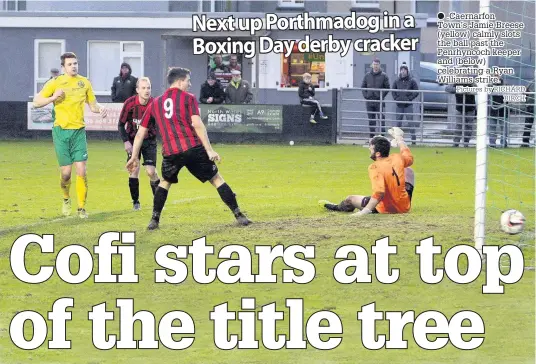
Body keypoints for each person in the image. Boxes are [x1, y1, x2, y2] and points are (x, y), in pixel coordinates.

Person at [126, 67, 252, 230]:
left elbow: (140, 133)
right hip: (193, 148)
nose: (190, 84)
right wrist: (209, 149)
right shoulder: (188, 98)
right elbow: (197, 124)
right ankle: (239, 215)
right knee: (216, 179)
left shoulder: (155, 102)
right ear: (179, 82)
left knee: (164, 183)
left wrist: (134, 156)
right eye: (187, 81)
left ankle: (154, 220)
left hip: (171, 152)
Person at [32, 52, 107, 218]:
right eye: (70, 64)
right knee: (66, 173)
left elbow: (92, 105)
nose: (74, 66)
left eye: (75, 63)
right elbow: (37, 102)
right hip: (60, 132)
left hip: (78, 131)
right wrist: (53, 97)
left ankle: (81, 208)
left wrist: (100, 109)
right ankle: (66, 199)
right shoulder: (56, 83)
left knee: (81, 170)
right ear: (63, 67)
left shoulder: (84, 83)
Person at [319, 127, 415, 216]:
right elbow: (409, 157)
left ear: (377, 153)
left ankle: (337, 207)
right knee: (408, 170)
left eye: (371, 148)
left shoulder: (374, 167)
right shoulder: (397, 158)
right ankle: (401, 201)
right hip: (404, 206)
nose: (369, 149)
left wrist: (365, 211)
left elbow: (379, 192)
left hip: (387, 208)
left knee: (350, 199)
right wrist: (399, 139)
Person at [118, 77, 161, 210]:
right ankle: (136, 202)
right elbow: (120, 124)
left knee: (150, 172)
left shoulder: (155, 104)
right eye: (143, 88)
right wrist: (126, 142)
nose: (146, 90)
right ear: (137, 90)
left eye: (148, 88)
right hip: (132, 140)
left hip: (149, 140)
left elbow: (162, 124)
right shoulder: (130, 103)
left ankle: (158, 200)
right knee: (134, 170)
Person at [361, 59, 390, 138]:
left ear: (379, 65)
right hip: (369, 101)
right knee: (371, 120)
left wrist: (381, 96)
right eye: (374, 64)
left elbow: (387, 88)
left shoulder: (384, 76)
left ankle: (382, 137)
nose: (375, 66)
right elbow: (363, 86)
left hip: (379, 101)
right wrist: (366, 96)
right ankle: (372, 138)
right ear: (372, 65)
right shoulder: (367, 75)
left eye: (377, 64)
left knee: (381, 120)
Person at [392, 63, 419, 144]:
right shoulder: (396, 81)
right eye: (402, 70)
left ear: (407, 71)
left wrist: (409, 98)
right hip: (399, 105)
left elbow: (416, 91)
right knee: (398, 123)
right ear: (400, 71)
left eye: (404, 70)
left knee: (410, 122)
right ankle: (397, 140)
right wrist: (396, 98)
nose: (403, 72)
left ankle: (413, 140)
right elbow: (393, 91)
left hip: (408, 105)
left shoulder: (412, 81)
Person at [446, 82, 476, 147]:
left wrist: (466, 90)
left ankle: (466, 143)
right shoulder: (456, 82)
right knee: (458, 126)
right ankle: (456, 144)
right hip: (459, 108)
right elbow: (448, 89)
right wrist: (461, 90)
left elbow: (477, 89)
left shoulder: (472, 81)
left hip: (470, 108)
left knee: (468, 127)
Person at [488, 74, 509, 148]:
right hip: (493, 110)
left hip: (503, 110)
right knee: (492, 128)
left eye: (497, 75)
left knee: (504, 128)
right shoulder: (489, 85)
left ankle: (503, 143)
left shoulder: (505, 85)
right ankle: (492, 143)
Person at [522, 79, 534, 147]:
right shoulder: (532, 82)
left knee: (528, 125)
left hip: (530, 106)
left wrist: (526, 102)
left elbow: (525, 92)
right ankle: (525, 142)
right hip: (531, 105)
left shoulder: (531, 82)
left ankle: (525, 142)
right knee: (528, 125)